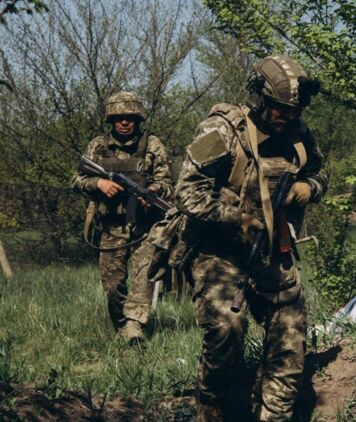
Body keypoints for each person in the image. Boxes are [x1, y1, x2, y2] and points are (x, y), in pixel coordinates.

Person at [174, 55, 327, 421]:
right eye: (278, 108)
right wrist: (236, 218)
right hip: (218, 251)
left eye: (293, 110)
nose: (286, 116)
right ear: (260, 98)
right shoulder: (222, 130)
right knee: (226, 330)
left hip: (272, 249)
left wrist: (309, 187)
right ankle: (212, 405)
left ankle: (274, 414)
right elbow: (186, 192)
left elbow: (322, 171)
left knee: (290, 338)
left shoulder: (299, 135)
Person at [71, 91, 173, 342]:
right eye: (119, 118)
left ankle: (135, 326)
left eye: (130, 118)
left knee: (143, 278)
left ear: (138, 120)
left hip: (145, 226)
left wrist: (153, 192)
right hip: (111, 226)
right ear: (111, 120)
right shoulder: (98, 146)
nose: (125, 122)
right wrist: (98, 184)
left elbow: (168, 185)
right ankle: (121, 325)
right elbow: (77, 180)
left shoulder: (152, 145)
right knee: (112, 285)